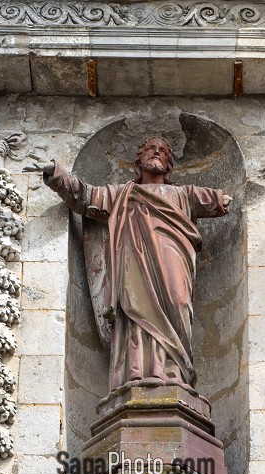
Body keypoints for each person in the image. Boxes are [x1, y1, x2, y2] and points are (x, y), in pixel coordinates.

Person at [33, 137, 231, 392]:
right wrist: (57, 174)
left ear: (169, 165)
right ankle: (136, 373)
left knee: (178, 302)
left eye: (163, 151)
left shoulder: (184, 193)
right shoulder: (123, 193)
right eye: (151, 149)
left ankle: (175, 373)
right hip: (134, 263)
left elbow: (216, 201)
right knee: (135, 313)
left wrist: (223, 200)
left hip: (174, 258)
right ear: (139, 162)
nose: (157, 152)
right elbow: (86, 196)